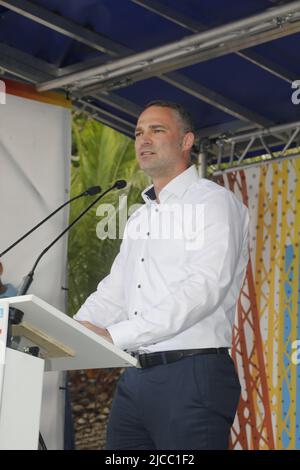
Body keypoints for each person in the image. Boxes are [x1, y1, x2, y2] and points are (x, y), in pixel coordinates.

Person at [74, 101, 249, 450]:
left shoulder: (212, 203)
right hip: (136, 375)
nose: (143, 140)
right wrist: (73, 331)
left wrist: (115, 335)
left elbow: (202, 289)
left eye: (157, 130)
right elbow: (116, 290)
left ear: (186, 142)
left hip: (191, 373)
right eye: (139, 132)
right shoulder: (141, 216)